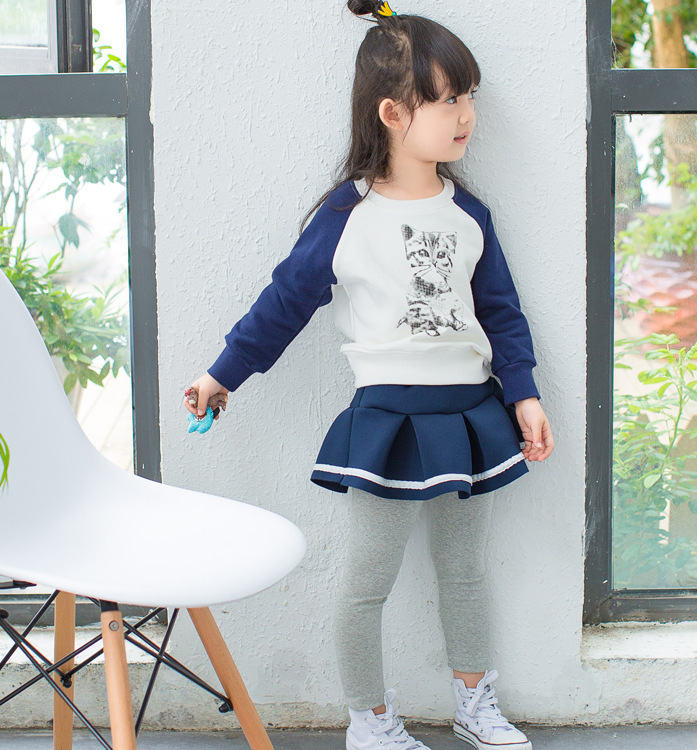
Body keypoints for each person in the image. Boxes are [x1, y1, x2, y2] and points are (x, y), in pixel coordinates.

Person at [184, 2, 554, 748]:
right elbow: (284, 303)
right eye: (447, 99)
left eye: (469, 96)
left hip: (470, 416)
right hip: (388, 421)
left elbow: (501, 314)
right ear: (392, 112)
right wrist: (224, 373)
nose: (466, 114)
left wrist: (525, 395)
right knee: (367, 581)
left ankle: (474, 704)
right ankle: (369, 720)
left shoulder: (470, 213)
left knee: (466, 572)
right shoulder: (345, 215)